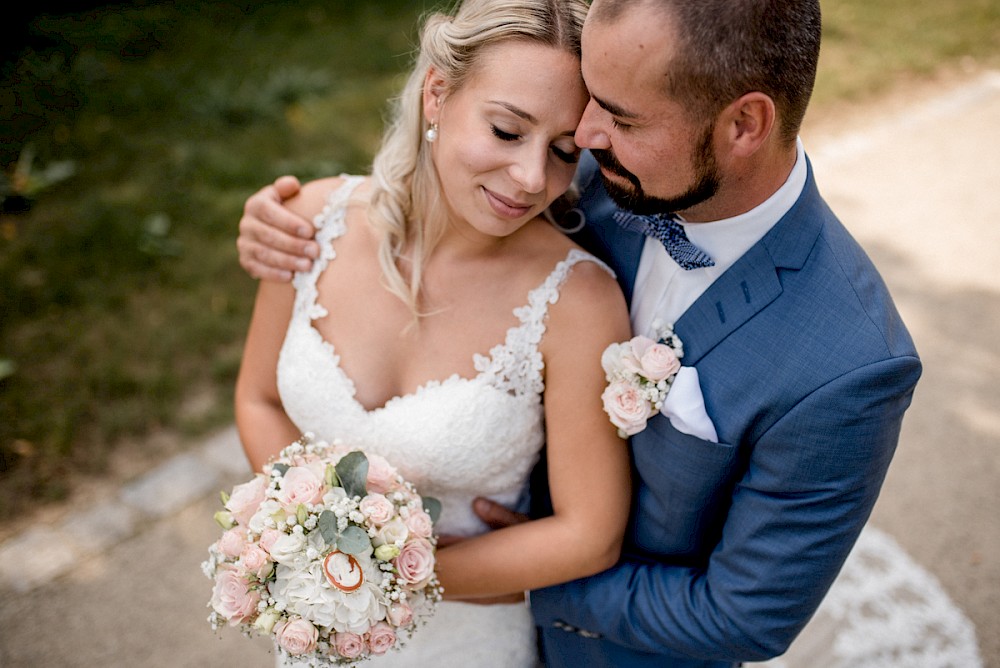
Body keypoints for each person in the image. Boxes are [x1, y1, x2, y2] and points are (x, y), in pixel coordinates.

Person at [238, 0, 922, 666]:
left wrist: (421, 574)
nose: (584, 137)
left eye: (616, 117)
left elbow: (744, 614)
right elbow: (469, 147)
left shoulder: (850, 366)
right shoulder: (591, 169)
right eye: (588, 106)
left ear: (743, 125)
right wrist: (287, 223)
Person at [233, 0, 633, 666]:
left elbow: (589, 534)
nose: (534, 177)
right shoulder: (306, 219)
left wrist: (380, 577)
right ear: (438, 94)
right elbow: (259, 400)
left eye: (565, 151)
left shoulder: (578, 301)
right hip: (312, 632)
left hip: (466, 640)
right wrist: (304, 540)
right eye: (508, 131)